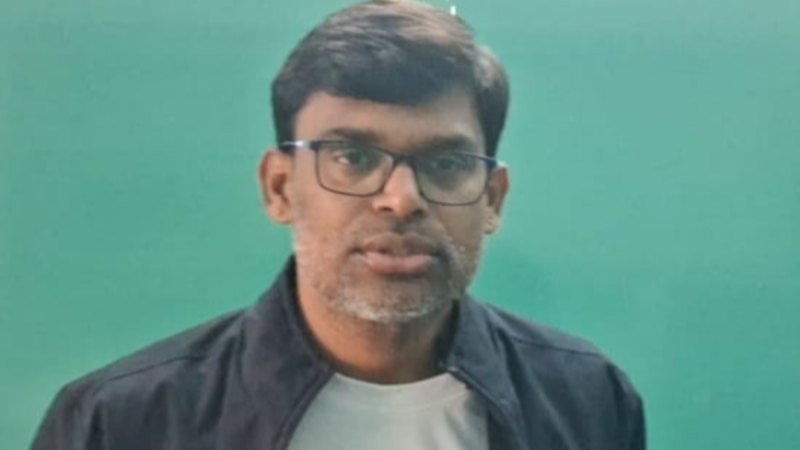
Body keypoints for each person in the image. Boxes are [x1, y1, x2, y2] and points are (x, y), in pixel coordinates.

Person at [31, 1, 645, 449]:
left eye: (446, 163)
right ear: (280, 188)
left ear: (493, 199)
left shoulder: (586, 399)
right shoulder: (120, 422)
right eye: (352, 157)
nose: (400, 199)